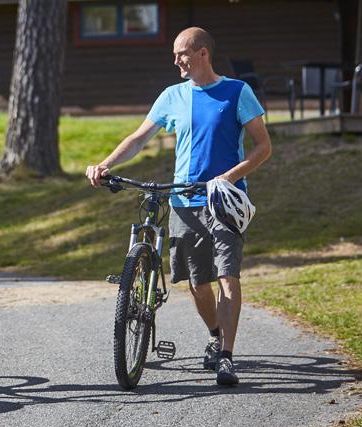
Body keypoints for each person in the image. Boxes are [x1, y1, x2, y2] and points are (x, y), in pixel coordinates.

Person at [86, 27, 272, 386]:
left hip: (222, 202)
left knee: (227, 277)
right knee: (198, 284)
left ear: (203, 53)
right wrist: (106, 164)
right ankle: (215, 334)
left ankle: (227, 357)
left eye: (182, 53)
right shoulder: (173, 96)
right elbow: (139, 139)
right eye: (174, 54)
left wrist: (229, 177)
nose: (176, 61)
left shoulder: (236, 92)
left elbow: (263, 147)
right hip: (183, 203)